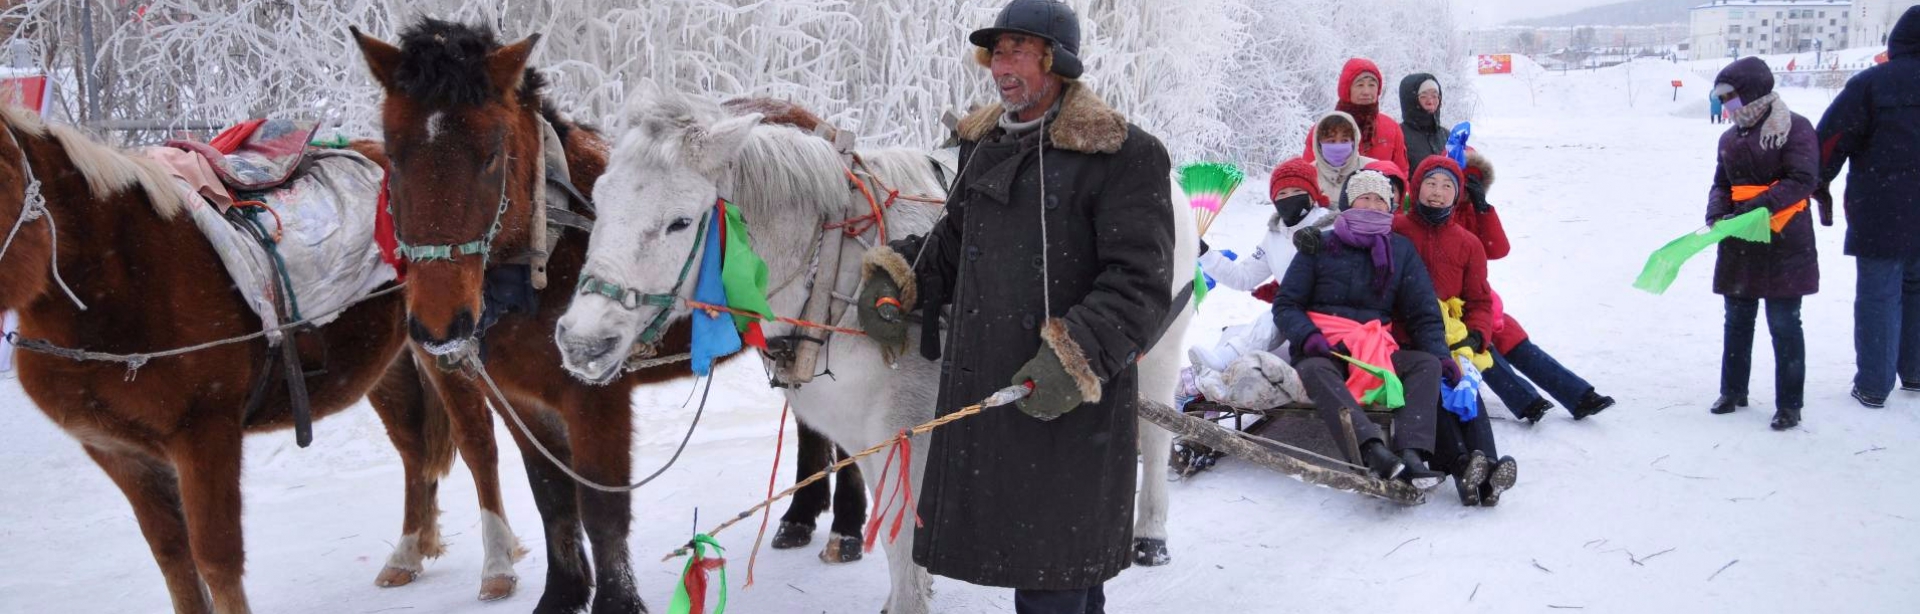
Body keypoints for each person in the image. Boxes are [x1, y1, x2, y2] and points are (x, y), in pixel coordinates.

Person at [856, 0, 1174, 610]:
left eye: (1018, 51)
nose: (1001, 65)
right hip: (991, 395)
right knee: (1052, 567)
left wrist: (1073, 354)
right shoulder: (985, 145)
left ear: (1056, 61)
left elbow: (1139, 283)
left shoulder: (1123, 155)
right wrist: (900, 276)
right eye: (995, 52)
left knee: (1056, 573)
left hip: (1066, 400)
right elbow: (954, 243)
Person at [1273, 169, 1447, 488]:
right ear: (1350, 203)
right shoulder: (1320, 244)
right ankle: (1371, 450)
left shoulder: (1400, 250)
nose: (1371, 204)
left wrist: (1440, 353)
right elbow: (1286, 304)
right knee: (1315, 371)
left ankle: (1411, 452)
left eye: (1380, 199)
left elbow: (1423, 311)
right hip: (1324, 346)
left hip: (1373, 349)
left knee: (1426, 364)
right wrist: (1308, 336)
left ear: (1390, 207)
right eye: (1364, 197)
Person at [1391, 155, 1518, 505]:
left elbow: (1479, 300)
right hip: (1406, 334)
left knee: (1465, 386)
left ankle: (1488, 473)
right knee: (1433, 388)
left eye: (1447, 186)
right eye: (1431, 183)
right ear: (1417, 188)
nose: (1438, 192)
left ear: (1457, 194)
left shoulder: (1468, 243)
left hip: (1453, 334)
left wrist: (1477, 334)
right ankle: (1466, 467)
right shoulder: (1396, 230)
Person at [1704, 57, 1820, 430]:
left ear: (1751, 91)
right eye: (1721, 97)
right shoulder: (1729, 137)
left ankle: (1789, 403)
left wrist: (1755, 208)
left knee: (1784, 324)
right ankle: (1733, 390)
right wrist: (1717, 213)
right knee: (1737, 320)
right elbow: (1721, 183)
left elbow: (1802, 179)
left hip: (1784, 241)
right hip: (1740, 240)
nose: (1725, 104)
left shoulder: (1794, 128)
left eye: (1729, 96)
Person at [1816, 7, 1920, 409]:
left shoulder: (1872, 85)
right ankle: (1914, 370)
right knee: (1915, 289)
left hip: (1882, 210)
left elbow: (1831, 138)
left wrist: (1818, 178)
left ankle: (1874, 386)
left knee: (1879, 294)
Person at [1189, 157, 1332, 371]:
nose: (1289, 198)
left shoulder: (1333, 228)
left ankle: (1226, 359)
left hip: (1330, 313)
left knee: (1276, 316)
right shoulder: (1274, 236)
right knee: (1240, 332)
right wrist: (1204, 252)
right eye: (1282, 194)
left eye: (1296, 191)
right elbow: (1243, 277)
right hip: (1292, 315)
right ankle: (1215, 375)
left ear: (1312, 196)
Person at [1301, 58, 1409, 173]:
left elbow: (1402, 175)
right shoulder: (1324, 129)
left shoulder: (1391, 128)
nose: (1366, 91)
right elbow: (1308, 176)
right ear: (1346, 89)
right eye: (1360, 85)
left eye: (1372, 85)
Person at [1400, 73, 1448, 165]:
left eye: (1434, 96)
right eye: (1423, 96)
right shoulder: (1399, 135)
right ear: (1412, 101)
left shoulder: (1446, 136)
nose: (1430, 102)